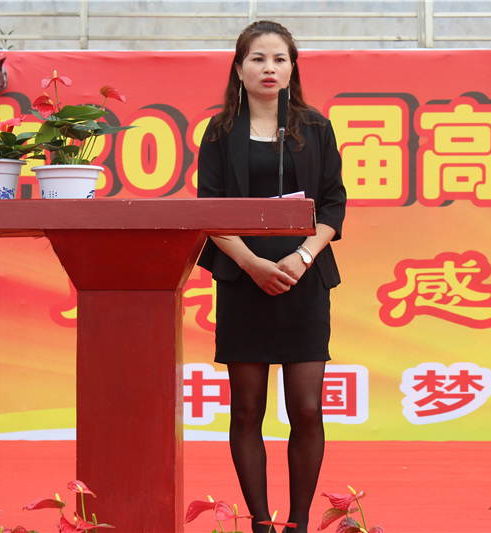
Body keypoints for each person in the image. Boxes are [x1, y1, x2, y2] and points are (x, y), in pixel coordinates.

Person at [196, 20, 346, 533]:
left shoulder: (315, 127)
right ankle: (261, 523)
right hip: (245, 282)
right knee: (246, 410)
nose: (269, 68)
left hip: (304, 279)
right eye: (257, 58)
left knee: (306, 408)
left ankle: (298, 523)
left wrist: (302, 256)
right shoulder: (220, 132)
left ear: (292, 68)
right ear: (239, 68)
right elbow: (210, 209)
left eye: (279, 59)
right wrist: (252, 264)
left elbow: (333, 203)